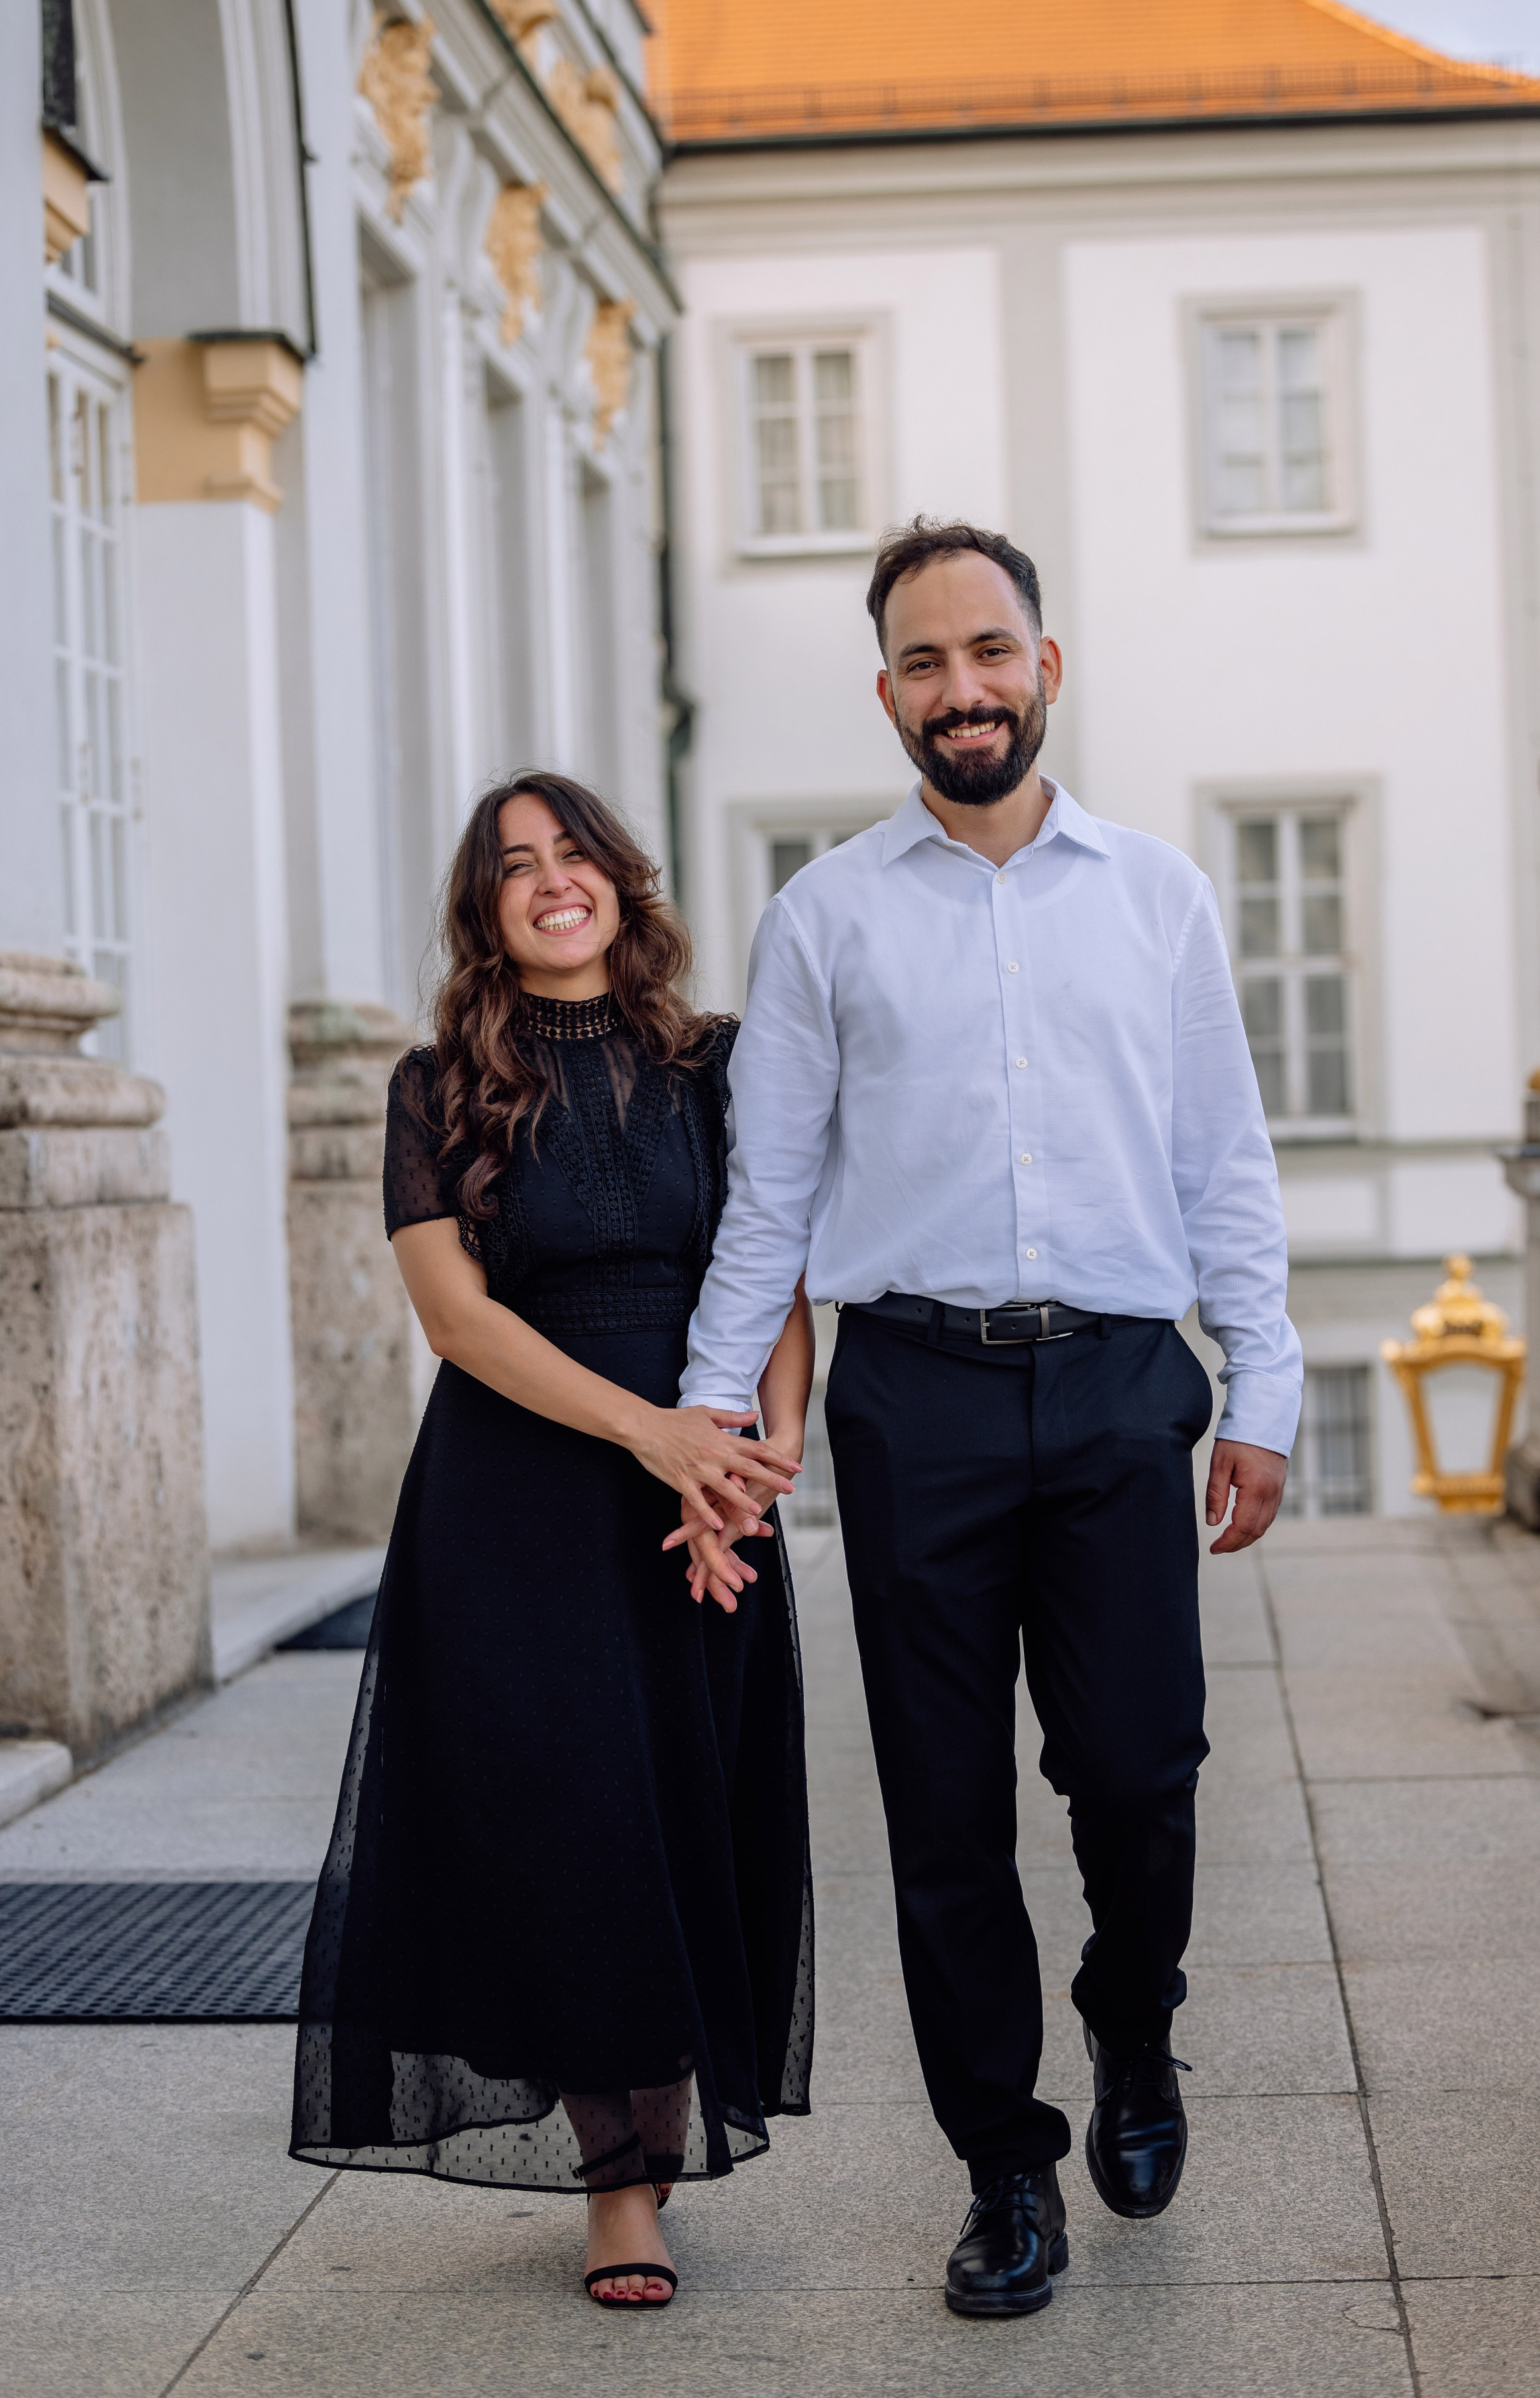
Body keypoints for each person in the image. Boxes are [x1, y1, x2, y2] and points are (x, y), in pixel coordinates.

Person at [673, 519, 1301, 2319]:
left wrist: (1261, 1382)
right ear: (889, 693)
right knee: (944, 1811)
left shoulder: (1157, 894)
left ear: (1046, 664)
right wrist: (722, 1422)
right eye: (926, 662)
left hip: (1117, 1384)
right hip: (913, 1394)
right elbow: (769, 1206)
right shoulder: (825, 916)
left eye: (990, 651)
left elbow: (1223, 1164)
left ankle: (1136, 2021)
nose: (964, 688)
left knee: (1142, 1776)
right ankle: (1004, 2166)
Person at [290, 773, 815, 2311]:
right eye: (514, 866)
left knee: (684, 1811)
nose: (549, 879)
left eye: (570, 850)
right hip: (516, 1503)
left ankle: (659, 2127)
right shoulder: (435, 1082)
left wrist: (754, 1463)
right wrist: (651, 1435)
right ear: (485, 908)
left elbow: (775, 1260)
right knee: (573, 1823)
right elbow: (457, 1320)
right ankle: (621, 2185)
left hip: (703, 1492)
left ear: (619, 877)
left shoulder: (716, 1064)